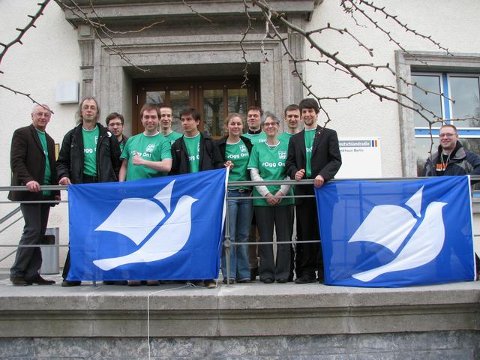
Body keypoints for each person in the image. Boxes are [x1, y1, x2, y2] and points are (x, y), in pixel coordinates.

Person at [57, 97, 121, 287]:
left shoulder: (107, 135)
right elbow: (62, 162)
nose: (89, 110)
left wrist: (115, 184)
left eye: (92, 107)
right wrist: (64, 175)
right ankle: (72, 275)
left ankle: (111, 275)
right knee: (80, 231)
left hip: (103, 189)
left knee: (107, 230)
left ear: (97, 112)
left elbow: (117, 163)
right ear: (81, 111)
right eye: (86, 107)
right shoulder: (72, 136)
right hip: (82, 189)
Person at [286, 98, 342, 284]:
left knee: (324, 231)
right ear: (301, 116)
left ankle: (325, 271)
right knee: (305, 233)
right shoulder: (295, 139)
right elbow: (289, 163)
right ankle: (307, 272)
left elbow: (336, 160)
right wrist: (296, 172)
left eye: (311, 111)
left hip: (324, 190)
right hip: (303, 192)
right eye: (305, 112)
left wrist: (323, 175)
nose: (308, 115)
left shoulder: (329, 134)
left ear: (317, 114)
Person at [119, 104, 173, 286]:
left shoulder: (163, 141)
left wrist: (144, 162)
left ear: (158, 120)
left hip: (154, 197)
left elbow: (167, 166)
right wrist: (121, 185)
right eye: (146, 117)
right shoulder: (132, 140)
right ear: (141, 119)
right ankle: (134, 272)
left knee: (153, 236)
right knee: (133, 234)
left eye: (153, 117)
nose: (150, 120)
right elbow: (124, 165)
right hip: (132, 197)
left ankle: (152, 272)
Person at [170, 107, 223, 288]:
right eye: (183, 120)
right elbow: (173, 172)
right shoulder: (176, 145)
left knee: (206, 236)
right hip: (185, 199)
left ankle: (208, 276)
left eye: (189, 120)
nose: (185, 123)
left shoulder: (208, 142)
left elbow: (218, 166)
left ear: (198, 122)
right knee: (187, 237)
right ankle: (191, 274)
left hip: (207, 198)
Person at [8, 104, 60, 286]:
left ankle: (32, 273)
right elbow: (16, 161)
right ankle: (17, 271)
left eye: (46, 115)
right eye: (39, 114)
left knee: (38, 232)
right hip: (29, 191)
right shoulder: (22, 134)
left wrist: (55, 192)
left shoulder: (49, 139)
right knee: (32, 230)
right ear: (32, 116)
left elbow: (51, 167)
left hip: (45, 193)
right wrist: (28, 180)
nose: (43, 117)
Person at [423, 124, 480, 276]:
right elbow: (425, 180)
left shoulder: (468, 157)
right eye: (442, 135)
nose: (445, 138)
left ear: (456, 136)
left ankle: (473, 269)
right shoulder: (432, 159)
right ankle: (444, 272)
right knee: (444, 238)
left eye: (449, 134)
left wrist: (462, 183)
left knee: (453, 235)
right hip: (437, 208)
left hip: (458, 206)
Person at [247, 112, 294, 283]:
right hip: (262, 201)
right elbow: (254, 172)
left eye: (273, 123)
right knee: (265, 238)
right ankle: (266, 273)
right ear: (263, 127)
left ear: (278, 125)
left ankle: (283, 274)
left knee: (284, 238)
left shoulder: (287, 145)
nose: (270, 127)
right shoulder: (257, 147)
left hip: (285, 199)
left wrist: (281, 192)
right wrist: (266, 193)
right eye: (266, 124)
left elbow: (290, 171)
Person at [216, 113, 253, 284]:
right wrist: (223, 166)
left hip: (246, 193)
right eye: (232, 123)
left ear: (242, 126)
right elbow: (215, 165)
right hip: (229, 193)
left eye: (239, 124)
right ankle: (229, 273)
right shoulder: (220, 145)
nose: (236, 126)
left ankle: (244, 273)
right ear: (226, 126)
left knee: (244, 235)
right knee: (228, 236)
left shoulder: (247, 143)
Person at [278, 104, 302, 282]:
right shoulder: (279, 139)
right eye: (290, 116)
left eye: (296, 116)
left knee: (302, 233)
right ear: (285, 118)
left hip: (303, 192)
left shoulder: (305, 137)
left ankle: (303, 270)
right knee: (285, 235)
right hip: (284, 194)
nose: (293, 119)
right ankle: (286, 272)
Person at [242, 106, 266, 280]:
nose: (252, 118)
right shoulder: (241, 138)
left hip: (265, 190)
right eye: (249, 116)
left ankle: (265, 264)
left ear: (261, 118)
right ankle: (251, 265)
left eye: (255, 116)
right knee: (249, 231)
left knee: (263, 231)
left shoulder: (268, 136)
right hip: (248, 191)